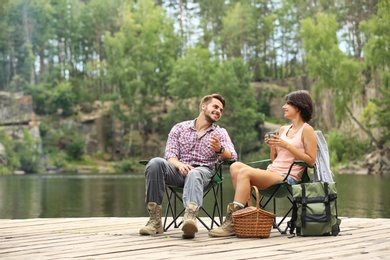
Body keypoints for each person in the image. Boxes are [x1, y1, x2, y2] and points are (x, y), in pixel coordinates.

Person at [208, 90, 317, 237]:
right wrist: (273, 146)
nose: (284, 107)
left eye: (288, 104)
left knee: (244, 172)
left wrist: (286, 145)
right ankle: (245, 215)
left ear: (298, 107)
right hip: (272, 172)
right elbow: (275, 160)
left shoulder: (307, 130)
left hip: (287, 178)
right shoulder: (284, 129)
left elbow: (311, 161)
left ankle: (233, 221)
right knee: (235, 166)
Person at [139, 93, 238, 239]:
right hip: (177, 172)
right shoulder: (180, 128)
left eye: (221, 110)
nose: (218, 111)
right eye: (215, 107)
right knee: (155, 163)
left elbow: (233, 156)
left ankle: (190, 219)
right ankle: (155, 221)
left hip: (202, 173)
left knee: (194, 173)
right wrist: (179, 165)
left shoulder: (220, 133)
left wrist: (219, 150)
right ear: (203, 106)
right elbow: (170, 155)